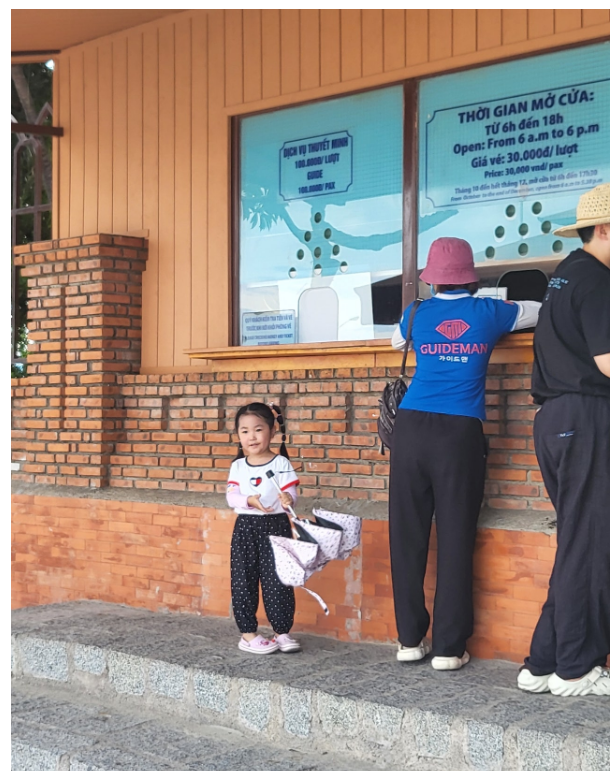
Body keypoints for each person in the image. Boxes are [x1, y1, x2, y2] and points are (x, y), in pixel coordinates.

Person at [389, 236, 540, 670]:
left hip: (412, 427)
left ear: (432, 280)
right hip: (459, 433)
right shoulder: (490, 312)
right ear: (471, 278)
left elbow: (394, 343)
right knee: (455, 537)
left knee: (408, 535)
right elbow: (540, 310)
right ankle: (449, 649)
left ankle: (409, 640)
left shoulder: (416, 312)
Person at [517, 183, 610, 697]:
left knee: (578, 541)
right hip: (586, 416)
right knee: (592, 545)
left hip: (555, 420)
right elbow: (607, 363)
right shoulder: (598, 281)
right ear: (604, 229)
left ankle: (544, 662)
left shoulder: (565, 274)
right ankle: (577, 668)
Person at [226, 402, 301, 655]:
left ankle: (282, 632)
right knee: (244, 579)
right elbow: (232, 497)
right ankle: (248, 634)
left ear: (271, 431)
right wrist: (249, 500)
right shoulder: (238, 466)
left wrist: (289, 498)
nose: (252, 436)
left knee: (279, 578)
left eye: (258, 429)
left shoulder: (281, 463)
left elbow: (290, 491)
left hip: (277, 525)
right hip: (246, 526)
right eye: (244, 431)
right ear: (238, 436)